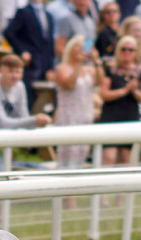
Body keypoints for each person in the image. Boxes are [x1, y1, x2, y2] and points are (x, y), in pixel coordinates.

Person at [54, 35, 102, 173]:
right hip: (68, 116)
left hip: (86, 115)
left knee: (81, 155)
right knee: (66, 156)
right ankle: (64, 192)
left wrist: (96, 61)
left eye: (83, 46)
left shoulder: (90, 70)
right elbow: (69, 84)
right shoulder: (61, 68)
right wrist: (78, 65)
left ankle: (72, 192)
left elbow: (100, 81)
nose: (81, 49)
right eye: (77, 45)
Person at [98, 35, 141, 167]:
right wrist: (124, 91)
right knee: (109, 156)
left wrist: (134, 90)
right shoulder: (110, 69)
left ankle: (122, 186)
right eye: (123, 49)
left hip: (129, 114)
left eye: (131, 50)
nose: (127, 52)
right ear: (118, 50)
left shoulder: (139, 71)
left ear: (135, 52)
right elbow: (104, 93)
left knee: (125, 158)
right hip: (111, 114)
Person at [3, 0, 56, 110]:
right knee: (26, 99)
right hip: (29, 65)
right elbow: (9, 33)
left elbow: (50, 44)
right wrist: (22, 50)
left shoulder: (49, 15)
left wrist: (51, 67)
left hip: (44, 66)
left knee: (42, 101)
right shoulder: (23, 12)